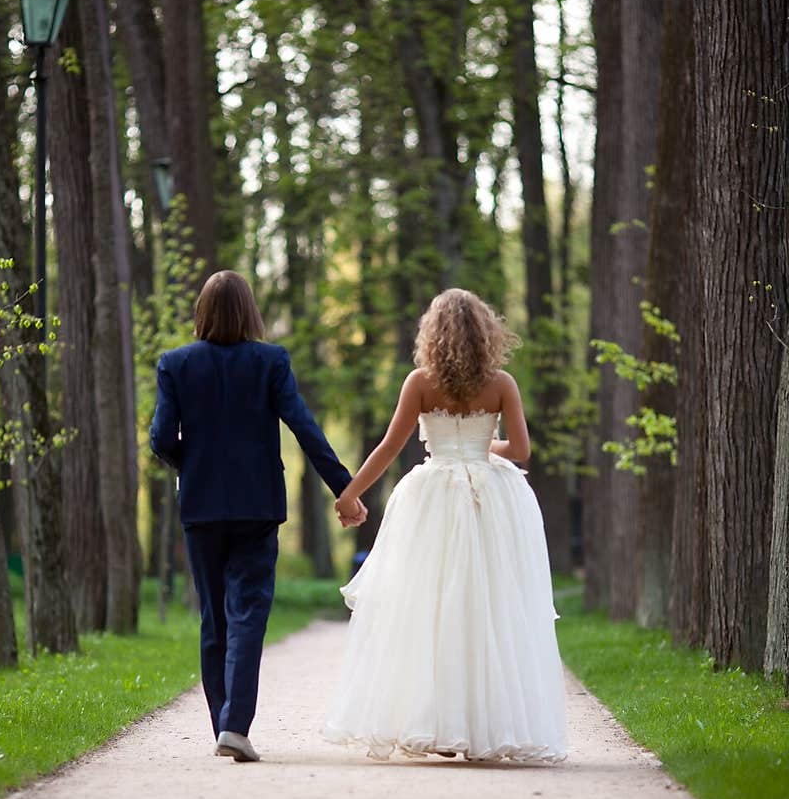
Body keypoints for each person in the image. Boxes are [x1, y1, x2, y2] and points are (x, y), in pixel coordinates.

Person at [325, 287, 568, 763]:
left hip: (432, 496)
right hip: (489, 501)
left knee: (428, 609)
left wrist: (351, 492)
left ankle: (434, 723)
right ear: (485, 333)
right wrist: (484, 448)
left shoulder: (420, 382)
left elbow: (390, 447)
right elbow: (520, 451)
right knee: (488, 611)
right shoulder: (502, 383)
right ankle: (485, 726)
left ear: (432, 335)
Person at [150, 270, 366, 763]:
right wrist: (344, 489)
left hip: (202, 508)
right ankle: (235, 725)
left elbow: (162, 439)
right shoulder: (270, 361)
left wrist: (195, 463)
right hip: (257, 506)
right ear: (251, 311)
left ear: (201, 312)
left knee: (214, 619)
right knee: (248, 612)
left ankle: (223, 724)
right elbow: (304, 427)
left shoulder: (175, 364)